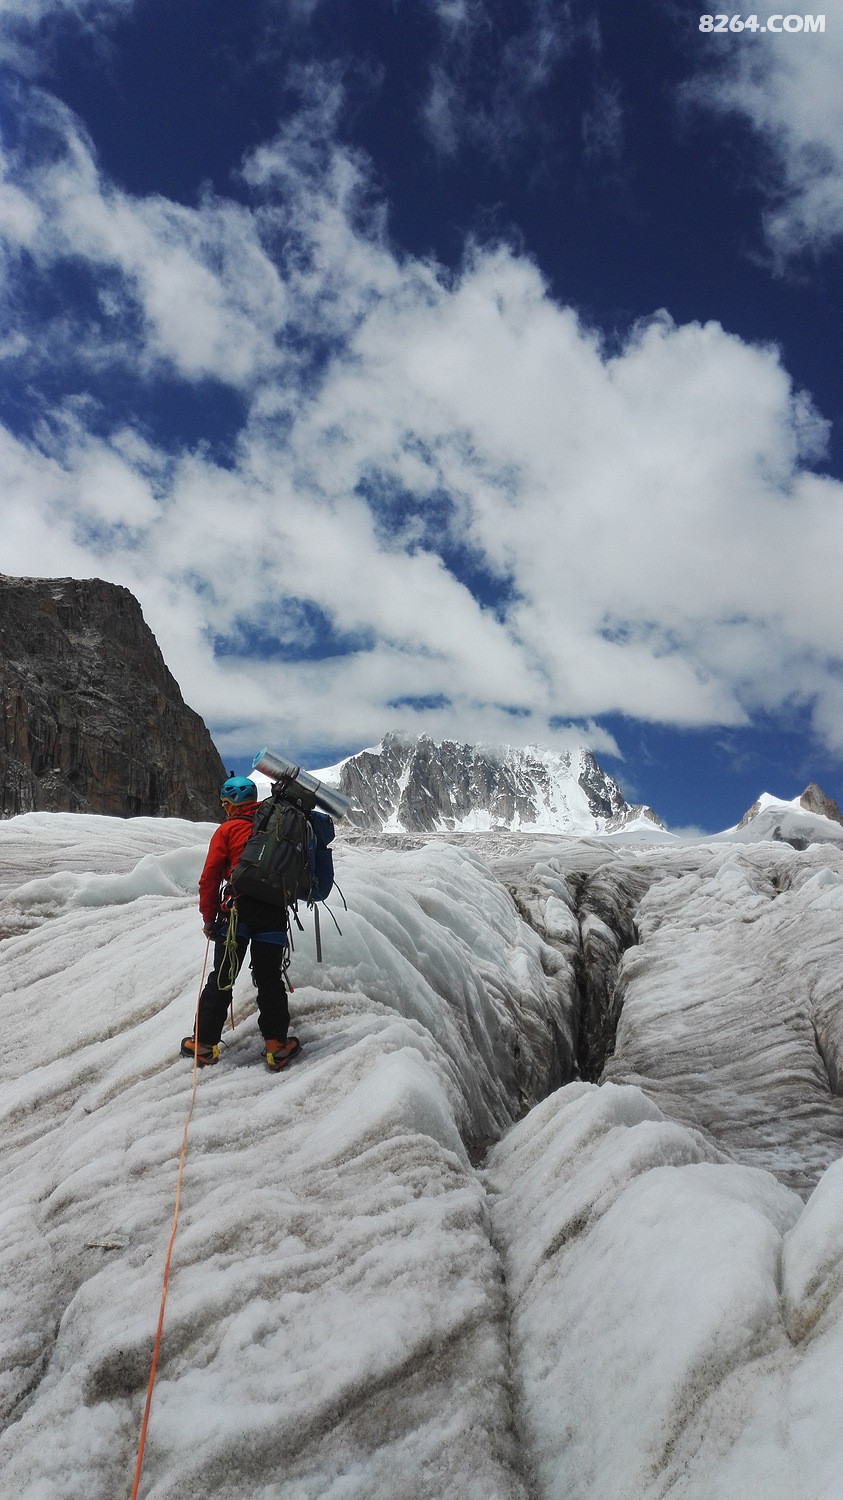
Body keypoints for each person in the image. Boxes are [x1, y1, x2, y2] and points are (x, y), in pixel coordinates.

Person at [180, 776, 301, 1072]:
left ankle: (204, 1045)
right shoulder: (277, 826)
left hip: (237, 913)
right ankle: (276, 1046)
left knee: (223, 978)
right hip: (273, 912)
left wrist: (209, 918)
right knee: (270, 979)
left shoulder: (228, 829)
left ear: (229, 804)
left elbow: (209, 878)